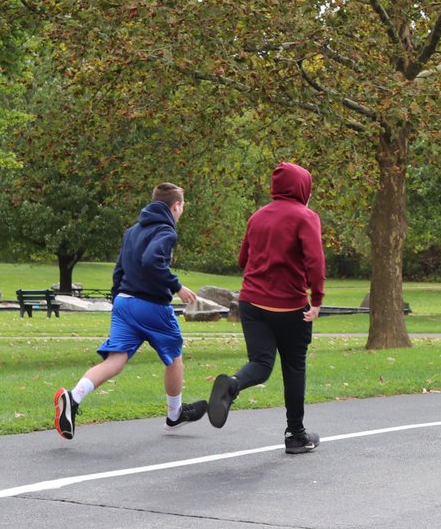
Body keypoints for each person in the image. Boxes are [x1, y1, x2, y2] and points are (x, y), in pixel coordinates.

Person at [54, 183, 204, 440]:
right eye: (182, 207)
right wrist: (177, 286)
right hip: (152, 305)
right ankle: (174, 414)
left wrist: (118, 302)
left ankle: (73, 397)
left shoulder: (132, 231)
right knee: (174, 358)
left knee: (115, 360)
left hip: (124, 302)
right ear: (175, 206)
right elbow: (151, 260)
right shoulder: (166, 231)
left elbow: (119, 270)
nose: (181, 212)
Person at [208, 162, 326, 454]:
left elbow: (242, 259)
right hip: (289, 307)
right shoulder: (306, 216)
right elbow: (315, 261)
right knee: (294, 367)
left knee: (261, 364)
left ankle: (233, 384)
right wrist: (318, 298)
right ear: (302, 188)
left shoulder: (257, 217)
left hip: (251, 303)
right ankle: (295, 434)